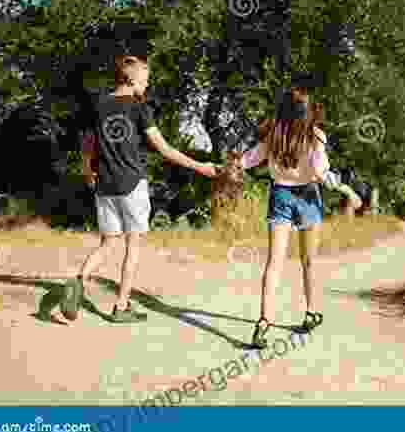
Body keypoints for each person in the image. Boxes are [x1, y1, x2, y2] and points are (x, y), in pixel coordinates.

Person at [62, 54, 221, 323]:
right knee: (133, 247)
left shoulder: (99, 105)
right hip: (132, 184)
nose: (146, 86)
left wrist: (87, 171)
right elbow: (164, 149)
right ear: (133, 79)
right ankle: (121, 307)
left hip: (105, 186)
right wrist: (201, 167)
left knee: (108, 242)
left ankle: (78, 281)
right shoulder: (139, 108)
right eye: (145, 80)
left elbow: (88, 143)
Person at [237, 85, 329, 348]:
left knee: (274, 262)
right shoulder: (316, 137)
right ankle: (311, 312)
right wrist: (345, 187)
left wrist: (229, 167)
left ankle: (264, 321)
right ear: (308, 112)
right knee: (308, 261)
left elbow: (248, 159)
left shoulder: (273, 135)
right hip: (308, 197)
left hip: (280, 196)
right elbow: (321, 172)